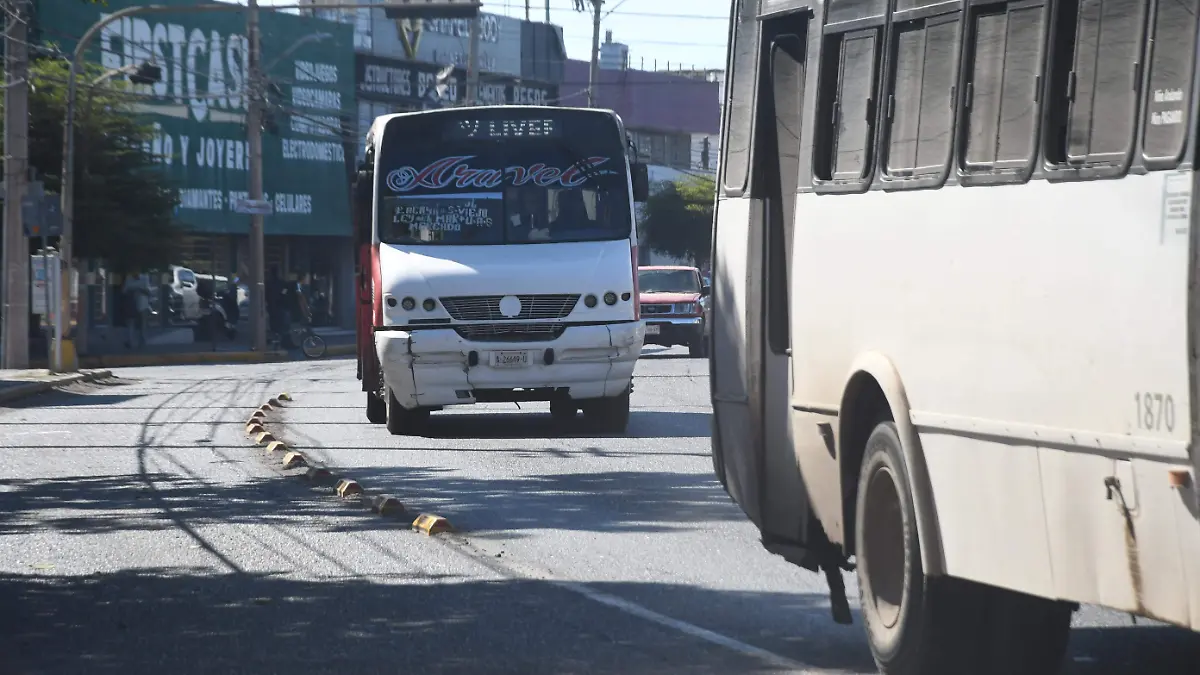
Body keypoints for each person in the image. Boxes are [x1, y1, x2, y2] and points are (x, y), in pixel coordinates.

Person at [122, 270, 152, 348]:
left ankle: (142, 341)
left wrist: (140, 290)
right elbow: (124, 291)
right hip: (132, 304)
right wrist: (132, 291)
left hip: (143, 304)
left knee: (143, 323)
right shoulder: (129, 278)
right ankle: (130, 341)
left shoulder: (145, 278)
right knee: (131, 323)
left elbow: (148, 292)